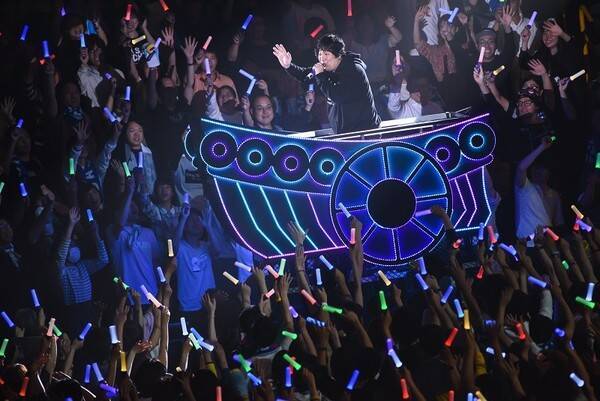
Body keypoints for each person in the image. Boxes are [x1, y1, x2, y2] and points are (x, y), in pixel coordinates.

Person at [273, 34, 381, 134]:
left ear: (338, 55)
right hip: (346, 134)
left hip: (364, 133)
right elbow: (305, 75)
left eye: (326, 54)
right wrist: (288, 66)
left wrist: (320, 75)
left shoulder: (353, 69)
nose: (322, 58)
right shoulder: (328, 70)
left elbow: (336, 96)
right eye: (320, 54)